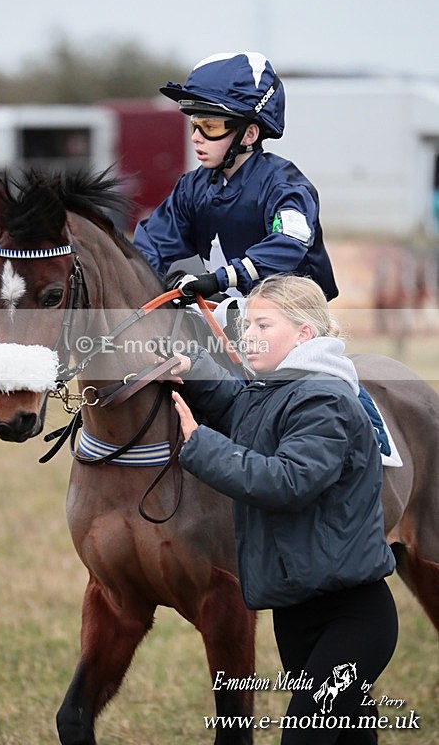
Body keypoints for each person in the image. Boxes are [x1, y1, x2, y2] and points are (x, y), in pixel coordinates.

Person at [169, 275, 398, 744]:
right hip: (297, 610)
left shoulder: (324, 399)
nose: (248, 335)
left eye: (264, 325)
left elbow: (287, 482)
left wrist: (199, 443)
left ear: (304, 335)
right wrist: (193, 369)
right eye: (246, 324)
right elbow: (237, 407)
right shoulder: (276, 389)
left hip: (352, 616)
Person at [133, 51, 338, 304]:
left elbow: (288, 244)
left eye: (210, 127)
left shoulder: (285, 186)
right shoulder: (191, 188)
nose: (196, 137)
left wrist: (218, 279)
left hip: (293, 320)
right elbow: (152, 243)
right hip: (227, 314)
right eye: (194, 125)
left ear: (249, 134)